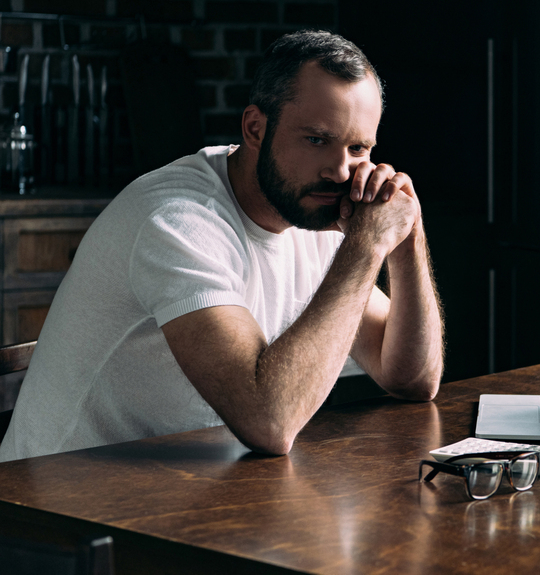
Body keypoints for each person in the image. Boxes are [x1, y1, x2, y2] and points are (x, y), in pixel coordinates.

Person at [0, 30, 444, 462]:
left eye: (358, 148)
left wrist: (408, 237)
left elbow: (412, 379)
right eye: (316, 140)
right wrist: (366, 249)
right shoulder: (177, 221)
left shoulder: (314, 211)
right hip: (58, 513)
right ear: (255, 128)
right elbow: (269, 422)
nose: (342, 172)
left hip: (194, 493)